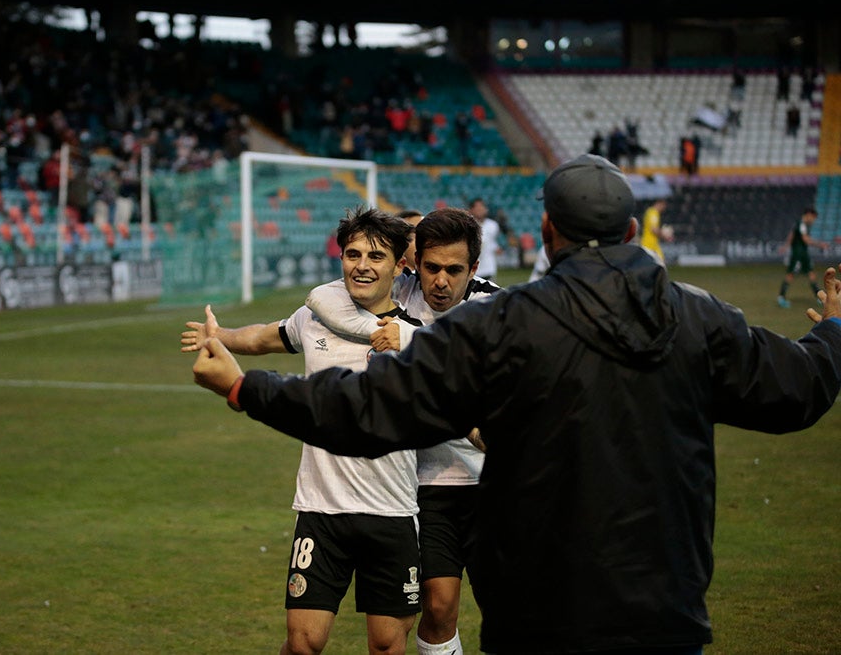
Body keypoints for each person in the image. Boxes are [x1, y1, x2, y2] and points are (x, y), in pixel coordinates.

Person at [191, 154, 841, 655]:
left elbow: (372, 405)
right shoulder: (701, 318)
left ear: (546, 231)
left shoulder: (504, 323)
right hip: (666, 613)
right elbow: (800, 388)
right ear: (629, 230)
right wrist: (833, 332)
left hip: (539, 618)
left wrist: (246, 387)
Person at [182, 207, 425, 655]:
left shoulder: (416, 336)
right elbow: (263, 339)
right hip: (321, 508)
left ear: (399, 265)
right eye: (352, 254)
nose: (362, 265)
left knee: (388, 645)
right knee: (301, 644)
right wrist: (222, 335)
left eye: (376, 256)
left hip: (391, 510)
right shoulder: (315, 317)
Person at [305, 207, 499, 655]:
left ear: (473, 268)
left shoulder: (491, 304)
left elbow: (465, 362)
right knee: (437, 604)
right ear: (413, 263)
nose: (441, 282)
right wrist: (377, 326)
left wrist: (408, 340)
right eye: (431, 268)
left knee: (506, 606)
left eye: (454, 271)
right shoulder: (399, 292)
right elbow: (321, 297)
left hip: (491, 482)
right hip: (426, 485)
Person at [778, 206, 830, 309]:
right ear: (809, 215)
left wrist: (785, 246)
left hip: (803, 254)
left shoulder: (800, 224)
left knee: (811, 273)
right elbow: (806, 240)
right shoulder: (802, 225)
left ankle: (819, 297)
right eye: (813, 218)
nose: (813, 221)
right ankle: (781, 297)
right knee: (791, 274)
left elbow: (791, 235)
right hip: (798, 254)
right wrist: (820, 244)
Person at [467, 197, 500, 281]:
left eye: (482, 207)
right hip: (473, 270)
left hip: (489, 268)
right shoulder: (467, 226)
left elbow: (492, 242)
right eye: (477, 207)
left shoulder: (493, 225)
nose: (480, 210)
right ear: (471, 210)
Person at [640, 198, 669, 265]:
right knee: (659, 263)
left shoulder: (650, 211)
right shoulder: (653, 213)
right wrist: (664, 235)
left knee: (660, 263)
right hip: (649, 243)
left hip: (653, 243)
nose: (664, 209)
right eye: (664, 207)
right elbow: (654, 229)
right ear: (660, 204)